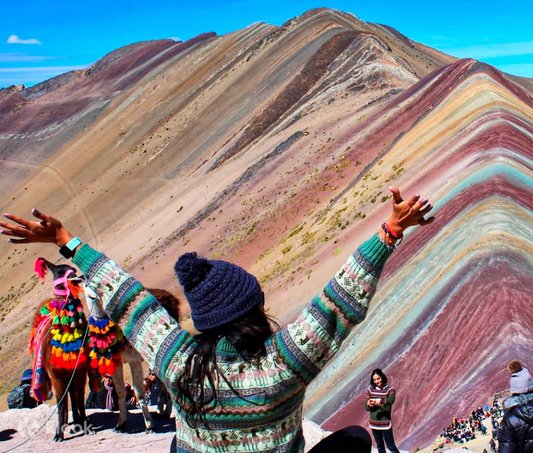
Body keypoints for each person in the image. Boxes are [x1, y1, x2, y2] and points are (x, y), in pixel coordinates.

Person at [1, 186, 433, 452]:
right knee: (355, 441)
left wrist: (66, 240)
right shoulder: (286, 362)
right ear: (254, 312)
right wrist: (390, 232)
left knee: (178, 444)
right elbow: (339, 301)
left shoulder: (178, 361)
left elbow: (129, 299)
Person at [366, 368, 400, 453]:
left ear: (382, 377)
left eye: (378, 378)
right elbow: (366, 407)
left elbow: (391, 400)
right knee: (380, 447)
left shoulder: (390, 390)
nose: (377, 381)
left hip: (385, 423)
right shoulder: (370, 390)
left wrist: (378, 401)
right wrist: (369, 404)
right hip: (374, 424)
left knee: (391, 446)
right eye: (374, 380)